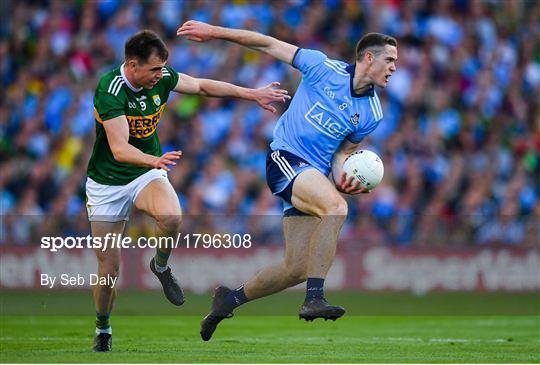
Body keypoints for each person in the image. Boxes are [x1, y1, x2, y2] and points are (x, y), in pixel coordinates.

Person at [177, 21, 397, 341]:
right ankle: (314, 298)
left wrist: (345, 176)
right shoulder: (322, 67)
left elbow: (341, 153)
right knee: (335, 208)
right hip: (285, 158)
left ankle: (230, 299)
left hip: (313, 175)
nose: (394, 67)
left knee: (296, 267)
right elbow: (267, 43)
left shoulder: (372, 113)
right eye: (389, 60)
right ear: (368, 58)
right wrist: (215, 32)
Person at [87, 29, 290, 352]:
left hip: (145, 172)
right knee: (109, 270)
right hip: (107, 183)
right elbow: (119, 149)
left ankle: (161, 266)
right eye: (154, 69)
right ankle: (103, 327)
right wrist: (154, 158)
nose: (160, 75)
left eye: (162, 69)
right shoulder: (110, 90)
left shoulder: (162, 77)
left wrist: (251, 94)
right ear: (132, 64)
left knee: (172, 217)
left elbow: (201, 86)